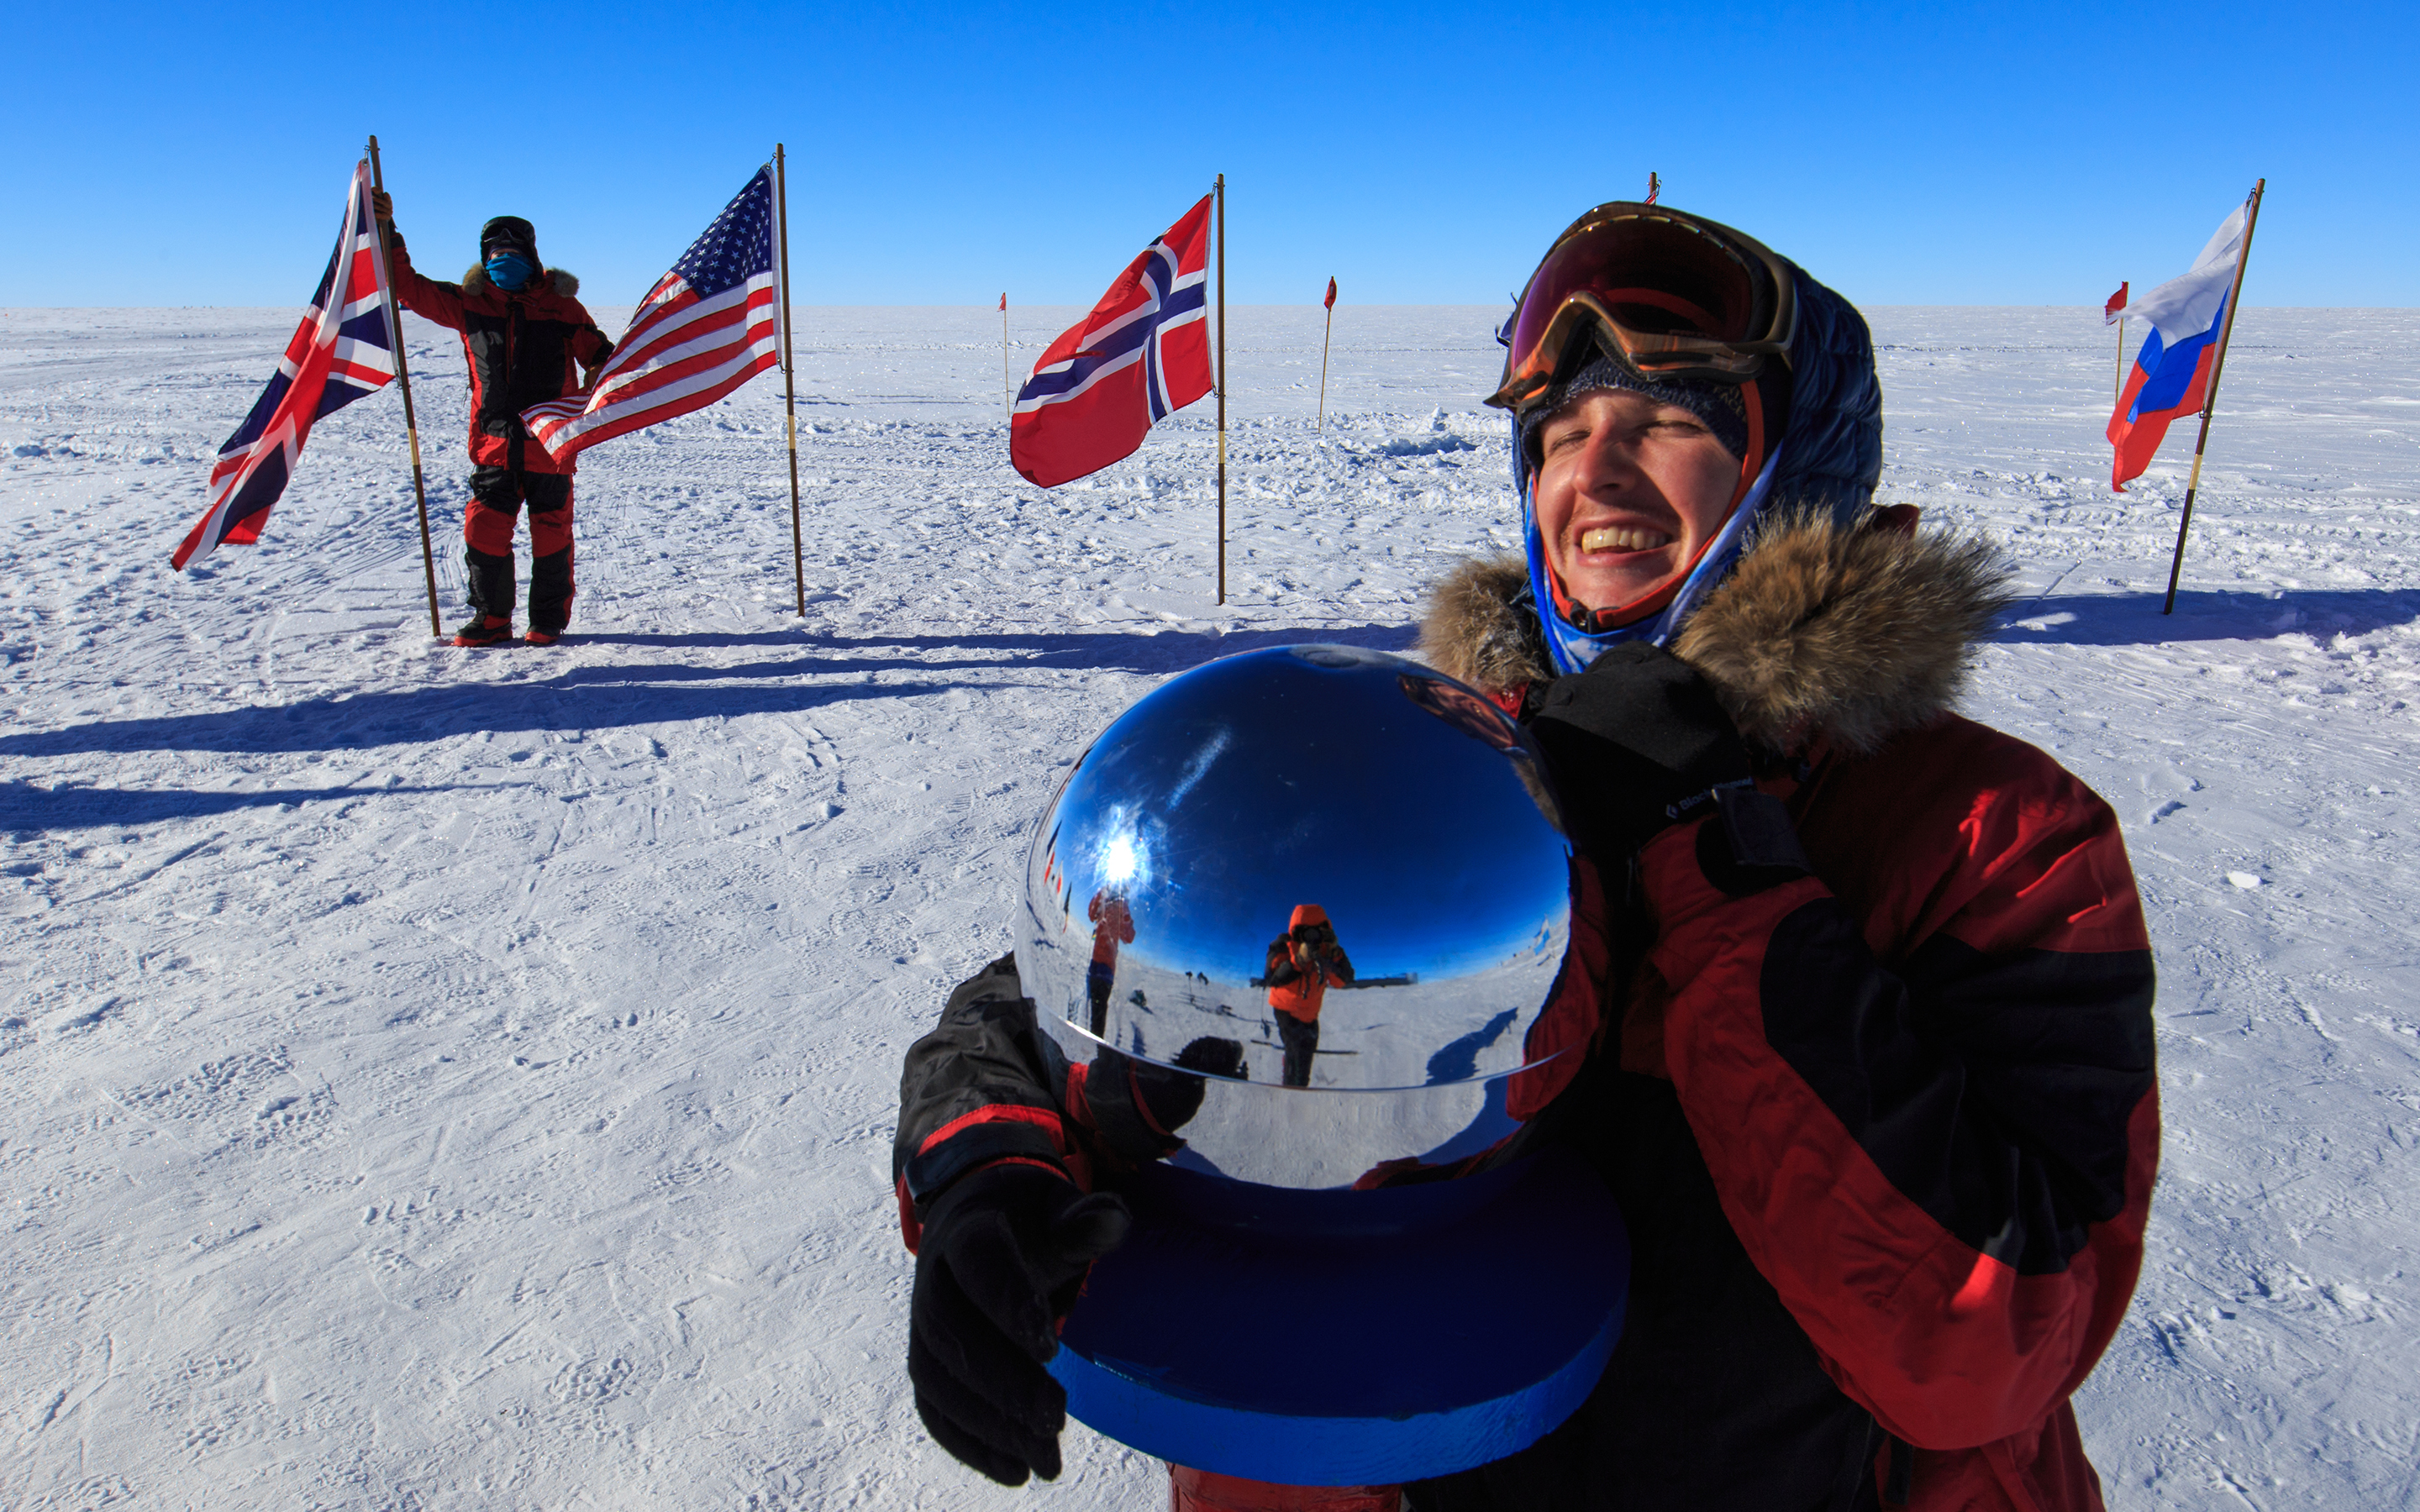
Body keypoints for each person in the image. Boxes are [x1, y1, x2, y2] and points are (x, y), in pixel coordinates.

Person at [891, 202, 2157, 1512]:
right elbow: (1134, 961)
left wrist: (1717, 854)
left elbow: (1988, 1349)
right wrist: (988, 1165)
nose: (1591, 476)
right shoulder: (1460, 768)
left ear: (1799, 475)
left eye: (1667, 419)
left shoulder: (1996, 841)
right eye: (1558, 432)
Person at [370, 189, 612, 647]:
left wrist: (585, 399)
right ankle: (492, 617)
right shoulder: (469, 303)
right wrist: (386, 230)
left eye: (513, 252)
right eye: (495, 253)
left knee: (551, 534)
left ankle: (546, 620)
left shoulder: (563, 308)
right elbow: (407, 285)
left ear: (532, 258)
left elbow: (600, 358)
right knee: (484, 531)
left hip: (549, 446)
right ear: (484, 260)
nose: (504, 259)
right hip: (494, 446)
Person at [1263, 904, 1355, 1088]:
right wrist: (1298, 960)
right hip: (1285, 1009)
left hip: (1310, 1013)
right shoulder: (1283, 944)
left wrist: (1334, 956)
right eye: (1305, 931)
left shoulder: (1327, 951)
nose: (1312, 937)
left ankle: (1295, 1072)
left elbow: (1343, 981)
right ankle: (1293, 1087)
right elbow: (1272, 978)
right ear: (1296, 931)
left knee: (1308, 1047)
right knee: (1298, 1056)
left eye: (1317, 931)